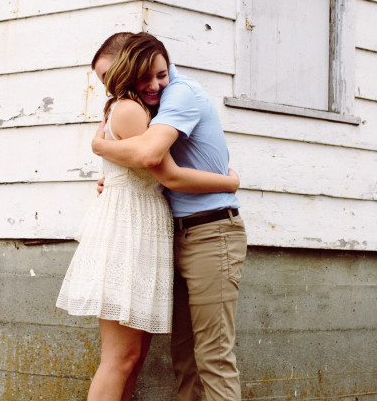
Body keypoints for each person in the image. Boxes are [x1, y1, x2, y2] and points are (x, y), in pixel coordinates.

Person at [57, 33, 240, 401]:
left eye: (161, 74)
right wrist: (230, 180)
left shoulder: (160, 102)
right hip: (133, 232)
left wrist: (105, 153)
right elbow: (158, 165)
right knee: (124, 358)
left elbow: (145, 160)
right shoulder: (130, 108)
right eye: (104, 79)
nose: (109, 84)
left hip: (170, 231)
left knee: (139, 357)